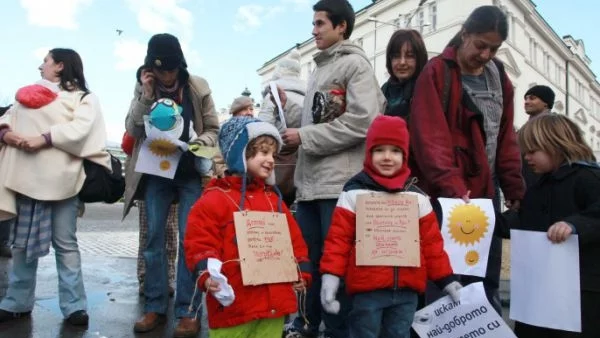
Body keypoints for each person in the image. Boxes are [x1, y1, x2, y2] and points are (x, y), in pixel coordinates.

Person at [279, 1, 385, 337]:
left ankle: (336, 331)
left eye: (320, 23)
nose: (313, 31)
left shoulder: (355, 66)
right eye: (314, 23)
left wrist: (304, 134)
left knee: (334, 266)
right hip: (309, 185)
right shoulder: (318, 70)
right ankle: (306, 323)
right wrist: (289, 113)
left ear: (342, 27)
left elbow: (363, 122)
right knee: (308, 263)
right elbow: (320, 119)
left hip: (338, 185)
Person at [409, 5, 525, 313]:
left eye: (495, 48)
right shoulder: (436, 72)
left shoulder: (500, 76)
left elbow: (505, 138)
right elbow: (430, 140)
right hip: (445, 199)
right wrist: (454, 189)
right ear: (465, 34)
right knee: (444, 281)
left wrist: (514, 187)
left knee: (483, 281)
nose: (486, 54)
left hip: (485, 194)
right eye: (481, 45)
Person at [319, 115, 461, 338]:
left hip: (407, 291)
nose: (387, 157)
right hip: (367, 291)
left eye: (395, 151)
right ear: (368, 153)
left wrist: (447, 280)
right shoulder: (353, 193)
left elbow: (432, 245)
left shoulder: (418, 198)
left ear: (405, 155)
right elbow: (339, 240)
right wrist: (331, 277)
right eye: (379, 150)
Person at [0, 48, 111, 326]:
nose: (41, 66)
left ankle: (74, 306)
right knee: (21, 245)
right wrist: (7, 133)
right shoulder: (25, 96)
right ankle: (16, 302)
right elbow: (6, 119)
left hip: (65, 180)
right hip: (27, 178)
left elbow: (82, 129)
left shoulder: (84, 98)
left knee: (65, 244)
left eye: (46, 61)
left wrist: (44, 138)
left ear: (60, 66)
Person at [124, 33, 220, 337]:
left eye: (171, 70)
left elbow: (214, 128)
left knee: (191, 241)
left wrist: (196, 143)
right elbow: (132, 127)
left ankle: (188, 311)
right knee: (153, 239)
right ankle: (155, 306)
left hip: (189, 170)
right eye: (160, 70)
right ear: (150, 68)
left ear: (180, 65)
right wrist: (146, 93)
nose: (166, 75)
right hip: (156, 172)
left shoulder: (198, 86)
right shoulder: (144, 86)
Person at [184, 116, 311, 338]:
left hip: (273, 307)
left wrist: (302, 270)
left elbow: (293, 241)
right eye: (263, 152)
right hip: (233, 307)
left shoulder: (275, 202)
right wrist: (206, 274)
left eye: (273, 154)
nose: (271, 159)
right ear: (240, 154)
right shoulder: (214, 200)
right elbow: (199, 243)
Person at [501, 113, 600, 337]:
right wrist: (480, 218)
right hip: (541, 293)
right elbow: (522, 220)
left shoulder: (589, 178)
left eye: (532, 151)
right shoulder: (538, 187)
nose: (526, 158)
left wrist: (574, 225)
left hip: (582, 294)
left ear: (555, 145)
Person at [258, 49, 306, 207]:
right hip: (301, 165)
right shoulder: (307, 96)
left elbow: (261, 128)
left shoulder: (274, 94)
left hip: (276, 164)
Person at [381, 29, 428, 120]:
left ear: (419, 58)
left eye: (410, 56)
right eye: (396, 56)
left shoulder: (426, 89)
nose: (402, 62)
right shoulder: (384, 91)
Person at [521, 85, 555, 187]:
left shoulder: (553, 126)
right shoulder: (525, 128)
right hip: (527, 185)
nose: (526, 102)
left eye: (532, 98)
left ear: (545, 103)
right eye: (526, 98)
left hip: (547, 185)